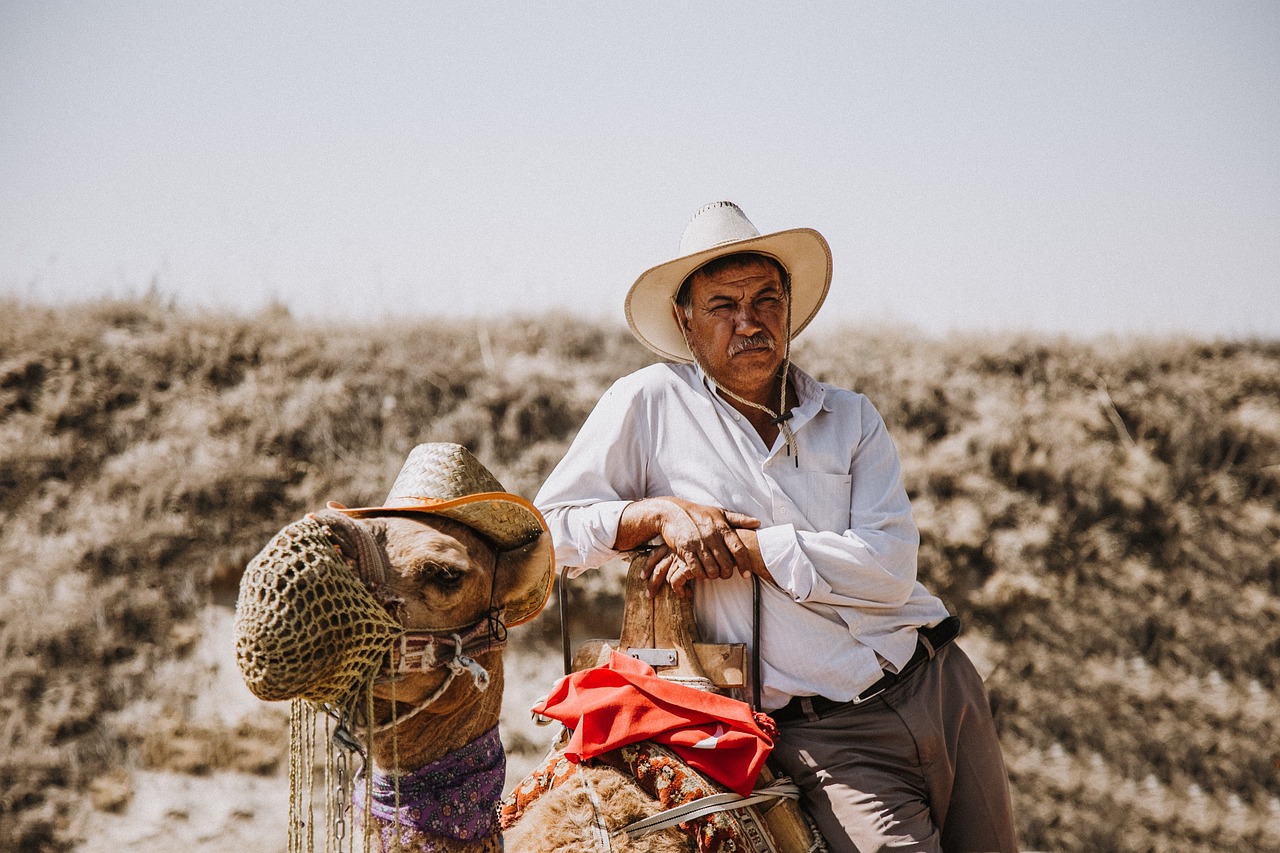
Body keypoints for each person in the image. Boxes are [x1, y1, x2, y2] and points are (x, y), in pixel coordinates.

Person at [534, 201, 1018, 852]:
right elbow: (547, 533)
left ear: (788, 307)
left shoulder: (850, 417)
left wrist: (752, 547)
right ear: (685, 319)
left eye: (766, 299)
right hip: (829, 736)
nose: (748, 320)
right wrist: (655, 514)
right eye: (723, 306)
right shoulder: (649, 404)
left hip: (943, 681)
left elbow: (889, 567)